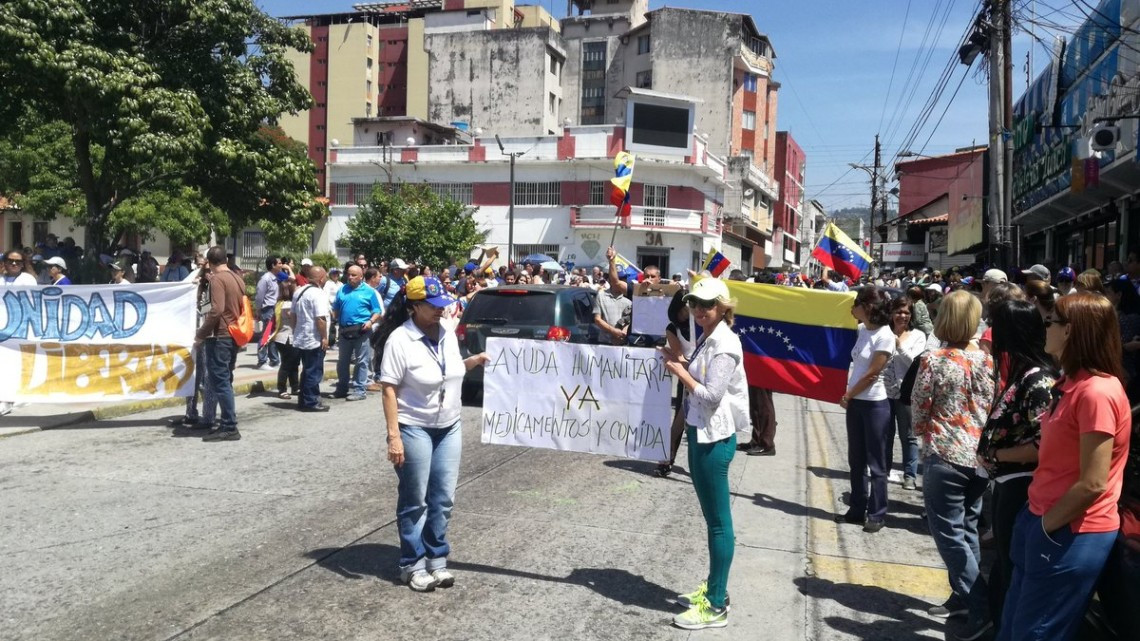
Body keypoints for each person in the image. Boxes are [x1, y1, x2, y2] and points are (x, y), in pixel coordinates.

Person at [998, 293, 1132, 641]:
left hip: (1069, 530)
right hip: (1044, 518)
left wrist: (1044, 526)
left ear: (1070, 330)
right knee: (1013, 627)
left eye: (1049, 322)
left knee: (1034, 634)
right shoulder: (1070, 383)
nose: (1044, 328)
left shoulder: (1097, 393)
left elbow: (1092, 483)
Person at [376, 276, 488, 592]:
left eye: (442, 305)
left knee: (442, 498)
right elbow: (388, 389)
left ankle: (437, 559)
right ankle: (411, 564)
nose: (441, 311)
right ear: (414, 307)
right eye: (433, 306)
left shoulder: (448, 334)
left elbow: (448, 371)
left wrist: (474, 361)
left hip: (449, 427)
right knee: (415, 499)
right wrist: (393, 436)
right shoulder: (400, 339)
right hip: (414, 428)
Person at [660, 277, 749, 630]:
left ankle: (715, 605)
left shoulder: (724, 343)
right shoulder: (707, 337)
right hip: (701, 431)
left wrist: (680, 372)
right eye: (694, 303)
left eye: (707, 304)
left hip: (715, 435)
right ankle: (716, 589)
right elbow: (697, 374)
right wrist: (676, 358)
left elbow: (711, 394)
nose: (699, 310)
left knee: (718, 523)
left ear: (724, 307)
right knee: (713, 521)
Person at [911, 290, 995, 636]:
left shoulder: (935, 359)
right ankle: (962, 597)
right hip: (980, 460)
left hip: (945, 455)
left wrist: (924, 436)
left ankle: (980, 606)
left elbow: (919, 408)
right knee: (967, 530)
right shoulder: (990, 361)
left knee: (949, 537)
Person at [975, 299, 1057, 634]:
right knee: (1004, 568)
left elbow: (1043, 445)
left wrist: (998, 456)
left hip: (1021, 483)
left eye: (999, 326)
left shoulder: (1038, 380)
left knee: (1010, 566)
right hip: (1006, 482)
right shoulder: (1021, 372)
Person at [835, 287, 894, 533]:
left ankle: (877, 513)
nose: (853, 307)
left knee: (876, 463)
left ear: (868, 308)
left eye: (857, 303)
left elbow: (872, 374)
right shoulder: (861, 330)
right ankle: (856, 508)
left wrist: (849, 393)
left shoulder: (885, 336)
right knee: (855, 460)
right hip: (856, 403)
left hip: (874, 404)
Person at [193, 246, 245, 442]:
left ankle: (230, 426)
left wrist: (201, 334)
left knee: (220, 381)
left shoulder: (217, 279)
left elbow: (216, 310)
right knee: (226, 379)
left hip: (220, 335)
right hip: (233, 334)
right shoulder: (236, 278)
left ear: (210, 261)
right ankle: (226, 422)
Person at [882, 296, 926, 490]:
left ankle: (910, 475)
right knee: (886, 434)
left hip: (906, 394)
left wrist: (898, 346)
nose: (902, 316)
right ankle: (883, 471)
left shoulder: (918, 336)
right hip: (882, 393)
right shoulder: (883, 332)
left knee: (908, 436)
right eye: (899, 312)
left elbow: (915, 364)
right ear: (891, 313)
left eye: (907, 312)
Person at [658, 290, 695, 477]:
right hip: (687, 374)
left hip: (706, 376)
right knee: (680, 418)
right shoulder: (672, 328)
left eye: (688, 308)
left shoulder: (701, 323)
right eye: (682, 309)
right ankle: (667, 457)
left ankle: (700, 464)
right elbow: (679, 355)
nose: (685, 313)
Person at [332, 265, 382, 401]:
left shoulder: (369, 291)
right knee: (343, 361)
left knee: (361, 361)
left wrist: (371, 322)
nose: (350, 277)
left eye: (354, 275)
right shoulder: (342, 289)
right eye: (349, 274)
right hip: (344, 330)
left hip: (362, 331)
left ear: (361, 276)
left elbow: (377, 311)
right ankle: (342, 388)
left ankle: (360, 390)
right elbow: (335, 308)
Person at [293, 267, 330, 412]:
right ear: (321, 279)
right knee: (314, 371)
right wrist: (324, 337)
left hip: (302, 337)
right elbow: (320, 318)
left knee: (307, 370)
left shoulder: (299, 291)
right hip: (314, 338)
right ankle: (311, 401)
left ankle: (304, 399)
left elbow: (293, 315)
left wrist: (296, 330)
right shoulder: (318, 294)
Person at [1106, 278, 1140, 403]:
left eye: (1108, 292)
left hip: (1124, 370)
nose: (1105, 296)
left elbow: (1116, 345)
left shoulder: (1125, 318)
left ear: (1119, 295)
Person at [273, 280, 300, 400]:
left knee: (294, 363)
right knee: (287, 364)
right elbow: (295, 317)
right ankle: (282, 389)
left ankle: (295, 386)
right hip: (287, 337)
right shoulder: (288, 305)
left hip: (282, 337)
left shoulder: (279, 303)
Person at [255, 256, 283, 370]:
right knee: (265, 335)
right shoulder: (265, 279)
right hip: (267, 309)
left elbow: (290, 278)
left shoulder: (276, 278)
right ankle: (262, 361)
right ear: (273, 265)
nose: (281, 265)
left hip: (274, 308)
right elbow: (259, 296)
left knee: (272, 335)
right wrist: (258, 310)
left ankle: (274, 360)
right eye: (280, 263)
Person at [324, 268, 344, 348]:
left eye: (337, 273)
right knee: (332, 325)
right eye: (334, 273)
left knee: (341, 325)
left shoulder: (341, 284)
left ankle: (340, 341)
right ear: (330, 275)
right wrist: (330, 308)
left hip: (340, 306)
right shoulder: (328, 284)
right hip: (331, 306)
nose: (336, 275)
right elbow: (326, 296)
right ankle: (331, 343)